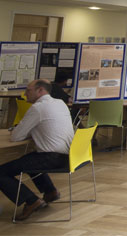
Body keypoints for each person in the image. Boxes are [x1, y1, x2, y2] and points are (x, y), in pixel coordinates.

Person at [0, 79, 74, 220]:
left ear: (40, 91)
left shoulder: (38, 108)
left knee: (1, 172)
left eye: (28, 90)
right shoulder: (60, 103)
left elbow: (16, 136)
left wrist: (21, 130)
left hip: (51, 158)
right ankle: (50, 191)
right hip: (68, 156)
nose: (25, 93)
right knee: (29, 158)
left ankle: (31, 201)